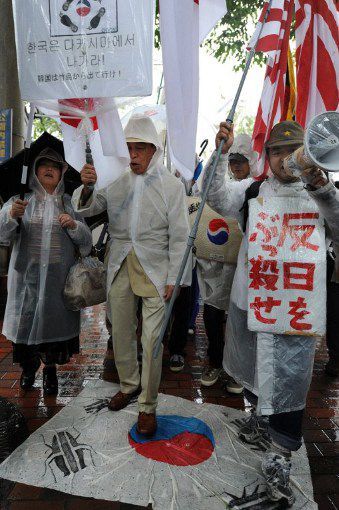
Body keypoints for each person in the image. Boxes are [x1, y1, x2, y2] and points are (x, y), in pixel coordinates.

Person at [204, 120, 339, 506]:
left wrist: (322, 187)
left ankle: (281, 454)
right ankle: (260, 422)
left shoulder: (322, 194)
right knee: (251, 366)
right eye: (276, 152)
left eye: (291, 151)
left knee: (290, 381)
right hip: (253, 301)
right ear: (267, 158)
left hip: (293, 309)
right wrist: (221, 152)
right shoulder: (253, 191)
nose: (284, 160)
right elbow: (215, 196)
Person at [73, 115, 190, 437]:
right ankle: (128, 384)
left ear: (154, 149)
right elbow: (89, 207)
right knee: (121, 331)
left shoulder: (172, 186)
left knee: (152, 340)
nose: (134, 154)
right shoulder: (118, 182)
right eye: (129, 148)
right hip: (121, 264)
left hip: (157, 269)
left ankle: (147, 406)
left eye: (141, 148)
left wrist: (175, 279)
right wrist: (87, 186)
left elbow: (181, 236)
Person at [0, 148, 92, 395]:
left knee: (53, 328)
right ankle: (28, 369)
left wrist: (73, 225)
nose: (49, 169)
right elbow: (2, 235)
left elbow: (86, 242)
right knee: (26, 325)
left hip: (57, 281)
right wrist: (11, 216)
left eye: (55, 165)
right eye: (44, 165)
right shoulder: (20, 202)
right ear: (34, 171)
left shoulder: (69, 203)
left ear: (62, 172)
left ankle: (50, 371)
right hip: (26, 281)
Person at [198, 134, 256, 389]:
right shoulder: (232, 188)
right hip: (218, 261)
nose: (236, 165)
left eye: (241, 161)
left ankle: (235, 369)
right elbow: (214, 193)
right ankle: (214, 360)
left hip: (246, 265)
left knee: (240, 318)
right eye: (233, 161)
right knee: (212, 312)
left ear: (252, 162)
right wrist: (221, 152)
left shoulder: (257, 187)